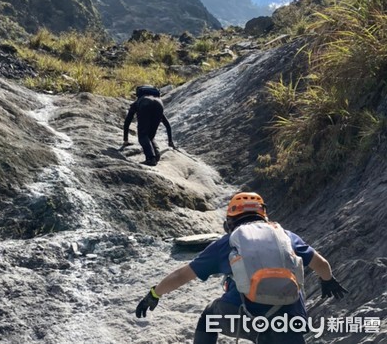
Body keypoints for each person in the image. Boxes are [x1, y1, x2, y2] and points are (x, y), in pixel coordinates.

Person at [135, 192, 348, 343]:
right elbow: (321, 264)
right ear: (264, 215)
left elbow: (182, 275)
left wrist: (154, 294)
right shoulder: (285, 236)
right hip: (290, 321)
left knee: (210, 316)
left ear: (230, 221)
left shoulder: (226, 243)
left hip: (244, 318)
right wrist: (328, 280)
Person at [123, 85, 175, 166]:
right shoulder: (156, 99)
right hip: (160, 105)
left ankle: (151, 159)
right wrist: (170, 141)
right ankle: (156, 156)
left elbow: (127, 121)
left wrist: (125, 140)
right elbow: (166, 124)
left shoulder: (139, 100)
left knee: (143, 135)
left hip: (145, 104)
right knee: (150, 136)